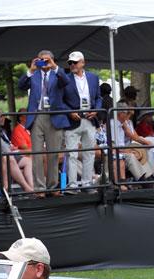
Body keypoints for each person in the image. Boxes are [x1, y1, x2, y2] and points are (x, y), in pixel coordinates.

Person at [17, 50, 69, 194]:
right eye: (41, 60)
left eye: (46, 60)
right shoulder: (34, 75)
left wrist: (54, 66)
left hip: (54, 116)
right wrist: (30, 70)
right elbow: (20, 86)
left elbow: (66, 81)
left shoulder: (58, 73)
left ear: (52, 60)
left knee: (53, 153)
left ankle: (52, 187)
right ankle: (39, 187)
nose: (43, 63)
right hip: (37, 116)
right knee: (37, 154)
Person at [60, 51, 103, 191]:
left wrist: (96, 110)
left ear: (82, 62)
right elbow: (59, 101)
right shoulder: (65, 79)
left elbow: (98, 98)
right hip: (73, 120)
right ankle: (72, 185)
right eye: (70, 63)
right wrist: (70, 112)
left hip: (89, 119)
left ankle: (86, 183)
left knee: (89, 153)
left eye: (75, 62)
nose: (72, 65)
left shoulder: (93, 77)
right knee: (71, 154)